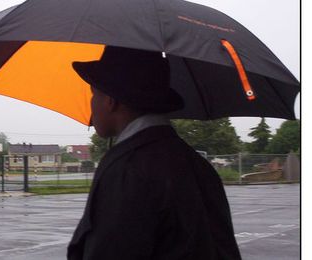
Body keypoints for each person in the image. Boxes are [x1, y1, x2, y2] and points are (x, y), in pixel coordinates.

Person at [67, 46, 241, 260]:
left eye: (94, 94)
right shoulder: (197, 164)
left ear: (111, 100)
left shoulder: (127, 168)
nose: (91, 105)